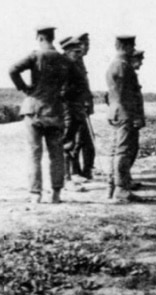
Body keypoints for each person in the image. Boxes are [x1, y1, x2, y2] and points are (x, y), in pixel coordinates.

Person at [9, 26, 78, 204]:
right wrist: (63, 94)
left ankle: (35, 194)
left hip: (34, 110)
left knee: (34, 153)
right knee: (56, 154)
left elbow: (12, 70)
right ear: (53, 38)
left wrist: (25, 89)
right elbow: (78, 83)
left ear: (40, 37)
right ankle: (56, 194)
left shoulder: (35, 56)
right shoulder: (65, 60)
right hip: (55, 111)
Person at [106, 35, 146, 202]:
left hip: (118, 112)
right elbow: (125, 95)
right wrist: (136, 116)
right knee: (123, 151)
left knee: (118, 150)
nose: (132, 49)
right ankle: (121, 190)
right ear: (126, 46)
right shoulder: (122, 66)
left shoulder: (117, 64)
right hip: (125, 113)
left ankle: (114, 186)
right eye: (131, 46)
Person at [59, 35, 96, 185]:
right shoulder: (64, 66)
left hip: (77, 108)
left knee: (76, 141)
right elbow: (63, 90)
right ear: (67, 51)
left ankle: (74, 173)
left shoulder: (74, 63)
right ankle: (67, 176)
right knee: (68, 142)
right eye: (76, 51)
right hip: (68, 108)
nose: (79, 54)